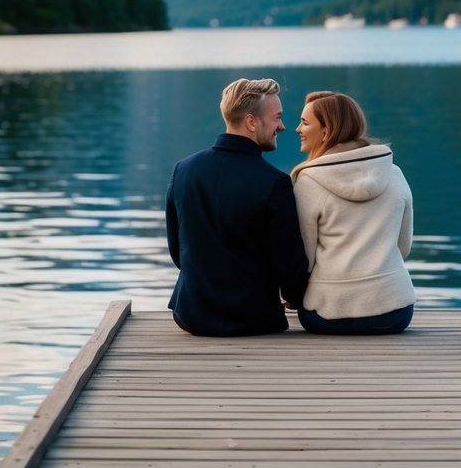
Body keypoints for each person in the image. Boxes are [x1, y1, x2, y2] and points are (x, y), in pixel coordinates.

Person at [165, 77, 310, 336]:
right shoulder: (274, 183)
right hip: (253, 320)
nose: (283, 126)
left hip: (190, 315)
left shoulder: (183, 170)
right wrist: (296, 298)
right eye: (277, 117)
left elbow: (178, 251)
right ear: (252, 122)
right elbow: (289, 266)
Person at [292, 90, 414, 335]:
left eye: (305, 123)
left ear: (327, 132)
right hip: (395, 313)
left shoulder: (308, 182)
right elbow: (404, 247)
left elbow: (304, 259)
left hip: (328, 314)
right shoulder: (394, 173)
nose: (297, 129)